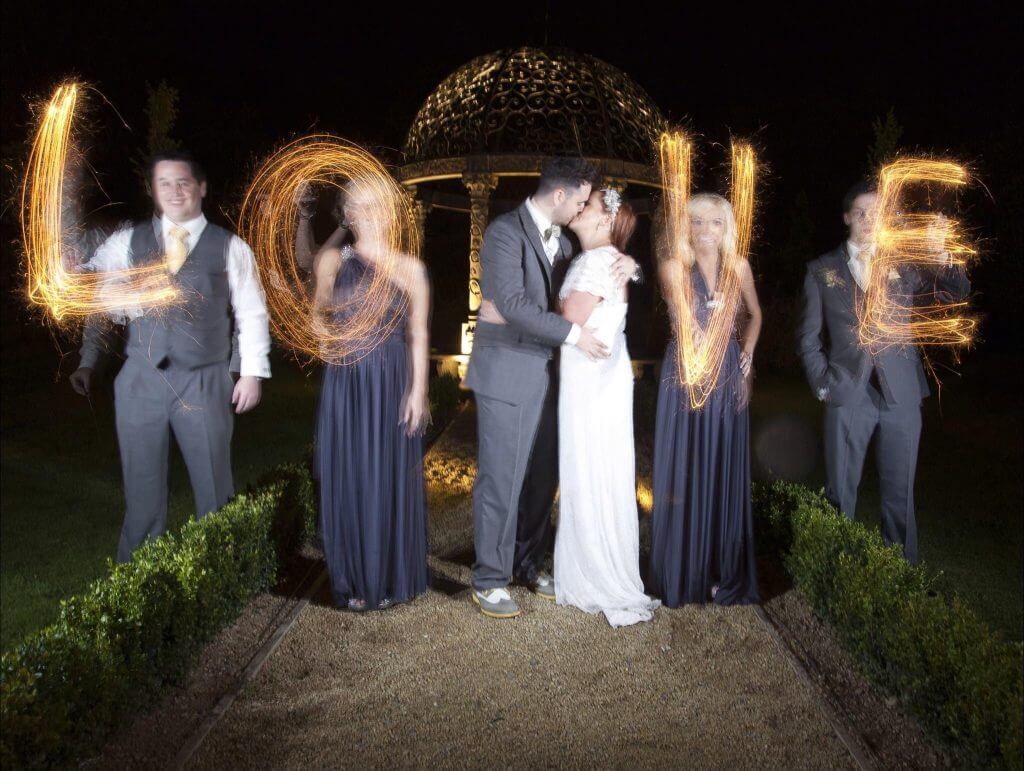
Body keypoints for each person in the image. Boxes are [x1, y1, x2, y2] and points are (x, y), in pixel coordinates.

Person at [70, 150, 271, 562]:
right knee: (141, 487)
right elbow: (99, 290)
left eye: (183, 182)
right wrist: (132, 293)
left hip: (203, 379)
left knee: (214, 484)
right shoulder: (127, 242)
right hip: (141, 380)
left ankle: (222, 567)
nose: (174, 191)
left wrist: (251, 373)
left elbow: (251, 311)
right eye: (165, 183)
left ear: (201, 188)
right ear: (153, 190)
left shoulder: (230, 247)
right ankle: (139, 576)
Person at [465, 157, 640, 619]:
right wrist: (574, 334)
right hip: (508, 370)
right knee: (501, 478)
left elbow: (583, 284)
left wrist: (628, 262)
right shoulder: (505, 232)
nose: (582, 207)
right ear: (560, 195)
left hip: (551, 376)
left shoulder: (563, 243)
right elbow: (514, 303)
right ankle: (489, 578)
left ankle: (526, 563)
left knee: (541, 477)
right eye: (580, 200)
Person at [796, 180, 970, 563]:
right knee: (840, 492)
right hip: (847, 392)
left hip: (901, 395)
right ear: (847, 217)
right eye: (860, 212)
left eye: (876, 213)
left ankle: (900, 574)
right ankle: (834, 569)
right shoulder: (821, 270)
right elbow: (808, 338)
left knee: (899, 493)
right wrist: (823, 384)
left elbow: (955, 291)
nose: (868, 220)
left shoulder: (905, 264)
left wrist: (944, 256)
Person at [312, 179, 431, 611]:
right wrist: (325, 337)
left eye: (375, 205)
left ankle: (389, 576)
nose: (368, 214)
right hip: (347, 379)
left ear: (389, 211)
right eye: (358, 207)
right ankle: (354, 578)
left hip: (392, 379)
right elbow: (317, 315)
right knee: (351, 472)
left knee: (387, 473)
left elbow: (418, 334)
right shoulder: (331, 261)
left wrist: (418, 391)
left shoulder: (410, 268)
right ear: (347, 215)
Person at [649, 193, 762, 606]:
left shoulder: (739, 267)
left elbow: (755, 314)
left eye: (715, 222)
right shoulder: (673, 268)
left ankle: (720, 570)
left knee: (721, 464)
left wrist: (747, 354)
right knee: (687, 465)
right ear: (685, 227)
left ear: (726, 227)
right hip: (687, 374)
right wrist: (704, 346)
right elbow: (685, 321)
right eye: (697, 222)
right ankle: (685, 573)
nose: (705, 230)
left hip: (728, 371)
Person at [553, 188, 660, 627]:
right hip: (600, 377)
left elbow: (566, 321)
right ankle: (602, 564)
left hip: (588, 380)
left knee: (587, 466)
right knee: (601, 468)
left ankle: (591, 573)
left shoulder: (595, 262)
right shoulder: (608, 260)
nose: (580, 208)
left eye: (589, 205)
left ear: (603, 220)